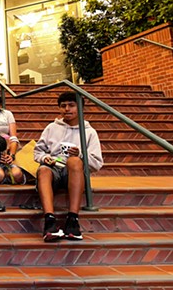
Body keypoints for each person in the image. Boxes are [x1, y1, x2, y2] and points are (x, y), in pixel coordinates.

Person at [34, 91, 103, 242]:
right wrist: (46, 158)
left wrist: (81, 155)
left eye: (71, 105)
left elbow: (97, 163)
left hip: (75, 173)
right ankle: (49, 221)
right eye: (63, 106)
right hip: (54, 170)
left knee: (74, 161)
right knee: (43, 169)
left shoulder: (89, 132)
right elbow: (38, 152)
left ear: (80, 108)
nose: (67, 109)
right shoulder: (52, 128)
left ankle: (72, 219)